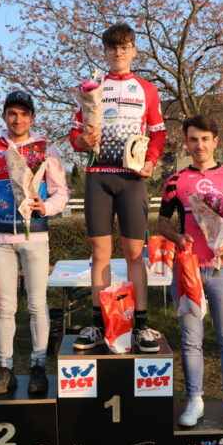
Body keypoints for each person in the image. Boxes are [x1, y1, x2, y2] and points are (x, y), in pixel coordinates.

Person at [69, 22, 166, 352]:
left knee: (135, 254)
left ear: (134, 51)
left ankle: (140, 325)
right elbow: (75, 134)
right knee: (100, 253)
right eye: (112, 48)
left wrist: (151, 160)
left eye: (124, 47)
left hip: (132, 178)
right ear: (105, 52)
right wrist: (82, 141)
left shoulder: (147, 89)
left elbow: (158, 132)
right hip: (98, 176)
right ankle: (100, 323)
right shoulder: (93, 87)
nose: (118, 53)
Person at [157, 115, 223, 429]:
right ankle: (194, 399)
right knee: (190, 340)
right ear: (186, 142)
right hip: (188, 270)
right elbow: (162, 223)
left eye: (205, 139)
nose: (199, 145)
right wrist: (177, 238)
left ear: (215, 141)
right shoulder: (175, 181)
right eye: (193, 139)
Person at [0, 90, 69, 395]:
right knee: (5, 307)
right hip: (0, 239)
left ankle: (38, 366)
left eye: (24, 114)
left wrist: (47, 207)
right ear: (4, 116)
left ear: (32, 117)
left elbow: (61, 192)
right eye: (12, 113)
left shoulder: (45, 148)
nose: (18, 119)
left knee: (37, 304)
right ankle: (5, 367)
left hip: (35, 236)